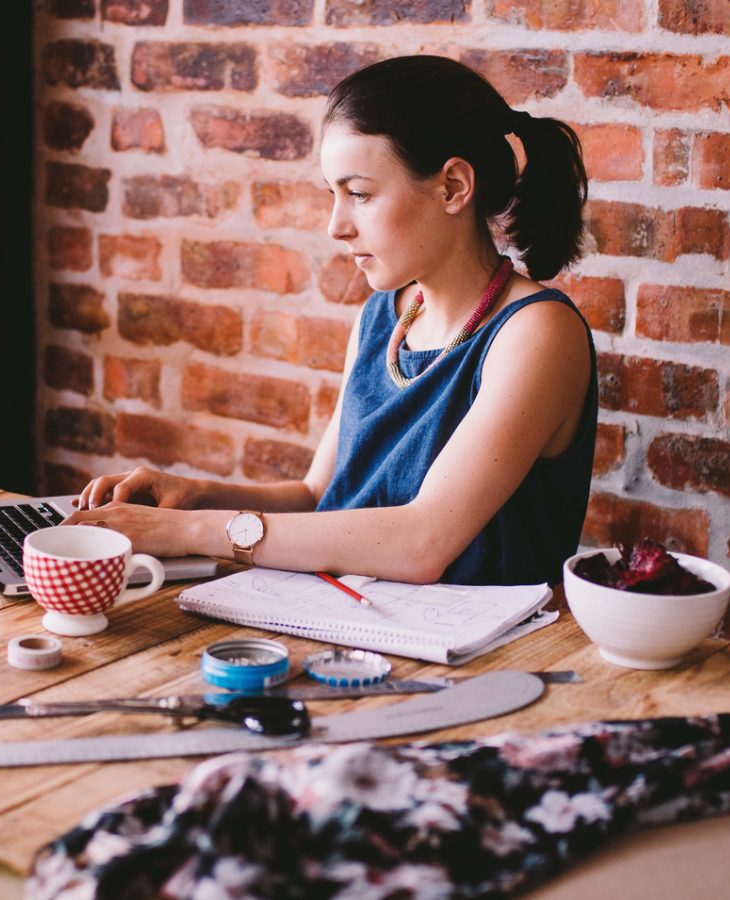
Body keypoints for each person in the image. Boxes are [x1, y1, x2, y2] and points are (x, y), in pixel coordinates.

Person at [65, 55, 597, 587]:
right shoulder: (383, 319)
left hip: (478, 658)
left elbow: (422, 542)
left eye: (360, 194)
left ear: (453, 187)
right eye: (333, 194)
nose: (335, 226)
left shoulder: (536, 333)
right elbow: (317, 497)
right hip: (343, 624)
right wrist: (190, 499)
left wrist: (187, 533)